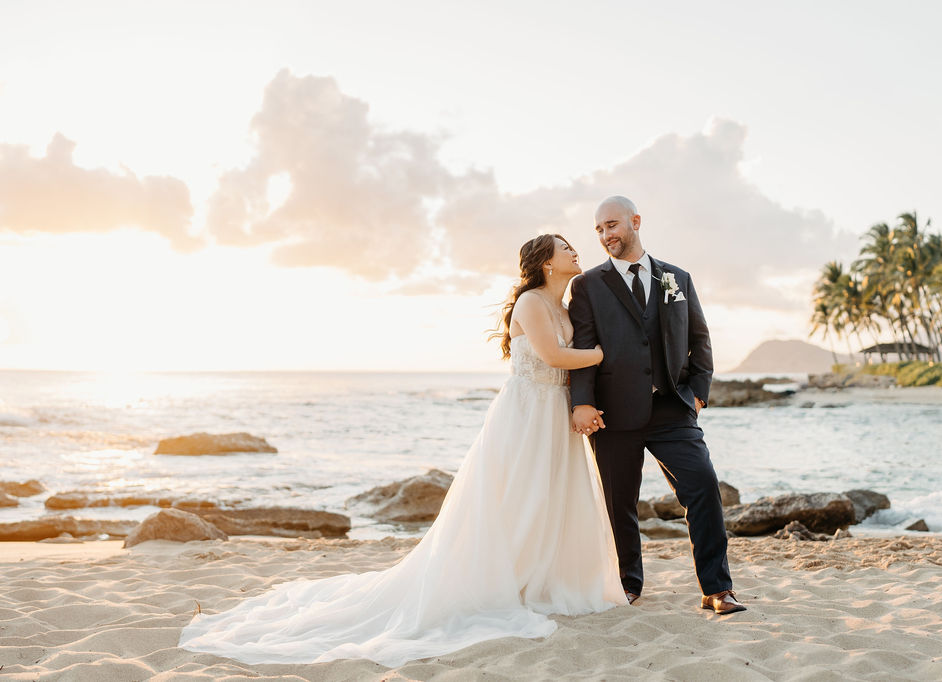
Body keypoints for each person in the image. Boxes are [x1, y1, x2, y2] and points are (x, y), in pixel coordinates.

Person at [178, 234, 626, 668]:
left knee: (549, 498)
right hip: (527, 413)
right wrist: (604, 354)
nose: (574, 251)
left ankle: (541, 579)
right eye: (565, 246)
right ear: (547, 262)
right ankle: (507, 582)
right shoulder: (531, 302)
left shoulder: (563, 305)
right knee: (519, 498)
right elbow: (551, 356)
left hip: (554, 413)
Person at [568, 196, 745, 615]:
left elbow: (699, 339)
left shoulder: (677, 277)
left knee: (702, 486)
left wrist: (698, 393)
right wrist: (582, 403)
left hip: (673, 408)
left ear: (635, 221)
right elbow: (582, 347)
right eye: (598, 230)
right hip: (613, 413)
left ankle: (717, 589)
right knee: (619, 502)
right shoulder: (588, 285)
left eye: (611, 225)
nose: (605, 235)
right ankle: (629, 584)